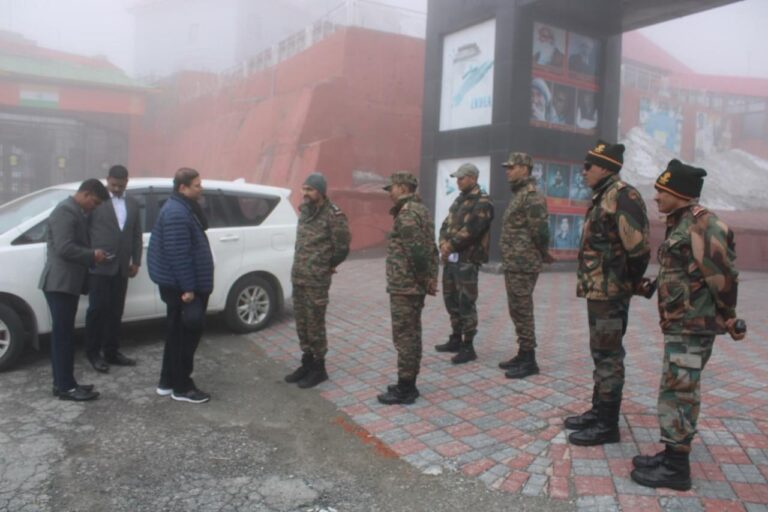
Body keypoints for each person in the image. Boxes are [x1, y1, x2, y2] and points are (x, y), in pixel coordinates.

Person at [630, 159, 743, 491]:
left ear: (679, 193)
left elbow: (722, 278)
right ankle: (670, 454)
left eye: (661, 191)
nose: (655, 197)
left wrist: (730, 315)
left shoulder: (704, 225)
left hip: (695, 326)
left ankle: (677, 469)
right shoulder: (679, 223)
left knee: (680, 393)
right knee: (673, 388)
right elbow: (685, 271)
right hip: (681, 324)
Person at [565, 140, 650, 446]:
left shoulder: (622, 196)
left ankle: (607, 426)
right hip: (601, 293)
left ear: (605, 167)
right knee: (601, 354)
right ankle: (599, 411)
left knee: (609, 357)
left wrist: (625, 283)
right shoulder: (604, 196)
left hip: (610, 296)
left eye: (589, 166)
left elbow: (638, 249)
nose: (584, 170)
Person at [38, 178, 109, 401]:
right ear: (86, 194)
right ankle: (65, 388)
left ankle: (65, 382)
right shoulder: (65, 211)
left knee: (65, 336)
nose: (94, 207)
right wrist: (92, 255)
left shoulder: (74, 210)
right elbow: (64, 247)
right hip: (60, 284)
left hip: (67, 283)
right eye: (95, 202)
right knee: (62, 337)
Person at [147, 168, 214, 404]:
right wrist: (188, 288)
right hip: (183, 288)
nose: (201, 188)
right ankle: (182, 387)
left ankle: (167, 382)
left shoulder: (182, 207)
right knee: (185, 338)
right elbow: (179, 254)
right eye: (197, 185)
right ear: (182, 187)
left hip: (180, 285)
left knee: (176, 335)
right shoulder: (177, 212)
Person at [377, 171, 438, 405]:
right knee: (411, 333)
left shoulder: (408, 214)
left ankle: (406, 388)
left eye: (391, 188)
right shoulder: (420, 209)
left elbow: (418, 252)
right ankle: (408, 381)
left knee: (405, 336)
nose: (389, 193)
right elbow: (431, 248)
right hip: (411, 285)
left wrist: (424, 280)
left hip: (406, 286)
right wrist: (430, 278)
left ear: (402, 187)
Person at [284, 173, 351, 389]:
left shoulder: (334, 215)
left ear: (321, 191)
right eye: (303, 189)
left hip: (316, 279)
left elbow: (342, 247)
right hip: (299, 276)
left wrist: (327, 265)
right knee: (302, 322)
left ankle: (319, 368)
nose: (305, 193)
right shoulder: (304, 211)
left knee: (315, 324)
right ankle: (307, 362)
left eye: (310, 189)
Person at [498, 153, 552, 379]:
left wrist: (542, 253)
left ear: (524, 168)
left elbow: (540, 231)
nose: (507, 171)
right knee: (516, 309)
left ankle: (530, 360)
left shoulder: (531, 196)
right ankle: (523, 352)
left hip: (524, 263)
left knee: (522, 309)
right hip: (515, 262)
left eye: (511, 167)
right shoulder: (520, 194)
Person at [84, 165, 143, 373]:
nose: (116, 189)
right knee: (97, 311)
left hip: (121, 268)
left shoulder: (133, 204)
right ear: (107, 180)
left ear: (127, 181)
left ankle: (112, 351)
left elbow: (136, 233)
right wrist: (90, 255)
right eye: (113, 185)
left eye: (121, 185)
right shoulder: (96, 202)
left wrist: (136, 260)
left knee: (115, 311)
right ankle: (93, 353)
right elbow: (84, 231)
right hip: (99, 267)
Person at [435, 163, 494, 364]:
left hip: (468, 260)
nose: (458, 181)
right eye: (457, 178)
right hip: (452, 259)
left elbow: (473, 230)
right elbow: (445, 225)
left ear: (472, 178)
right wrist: (442, 243)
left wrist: (450, 245)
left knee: (466, 302)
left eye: (461, 178)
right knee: (450, 299)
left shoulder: (482, 202)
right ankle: (456, 338)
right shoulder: (459, 200)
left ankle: (468, 346)